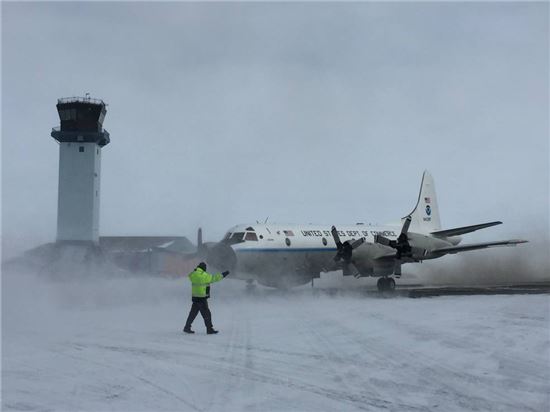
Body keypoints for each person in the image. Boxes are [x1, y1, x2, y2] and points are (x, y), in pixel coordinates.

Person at [183, 262, 229, 335]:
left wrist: (196, 270)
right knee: (207, 314)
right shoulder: (204, 275)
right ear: (203, 268)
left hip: (195, 297)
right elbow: (214, 278)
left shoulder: (193, 274)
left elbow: (190, 276)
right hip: (202, 298)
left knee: (192, 314)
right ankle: (209, 329)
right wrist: (223, 274)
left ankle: (187, 327)